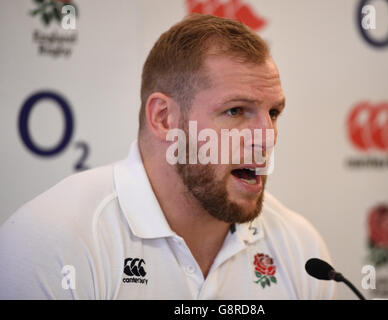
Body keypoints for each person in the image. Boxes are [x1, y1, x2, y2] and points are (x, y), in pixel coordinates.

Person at [0, 14, 335, 299]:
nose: (266, 138)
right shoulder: (53, 242)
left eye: (273, 113)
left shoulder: (300, 247)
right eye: (236, 111)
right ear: (164, 119)